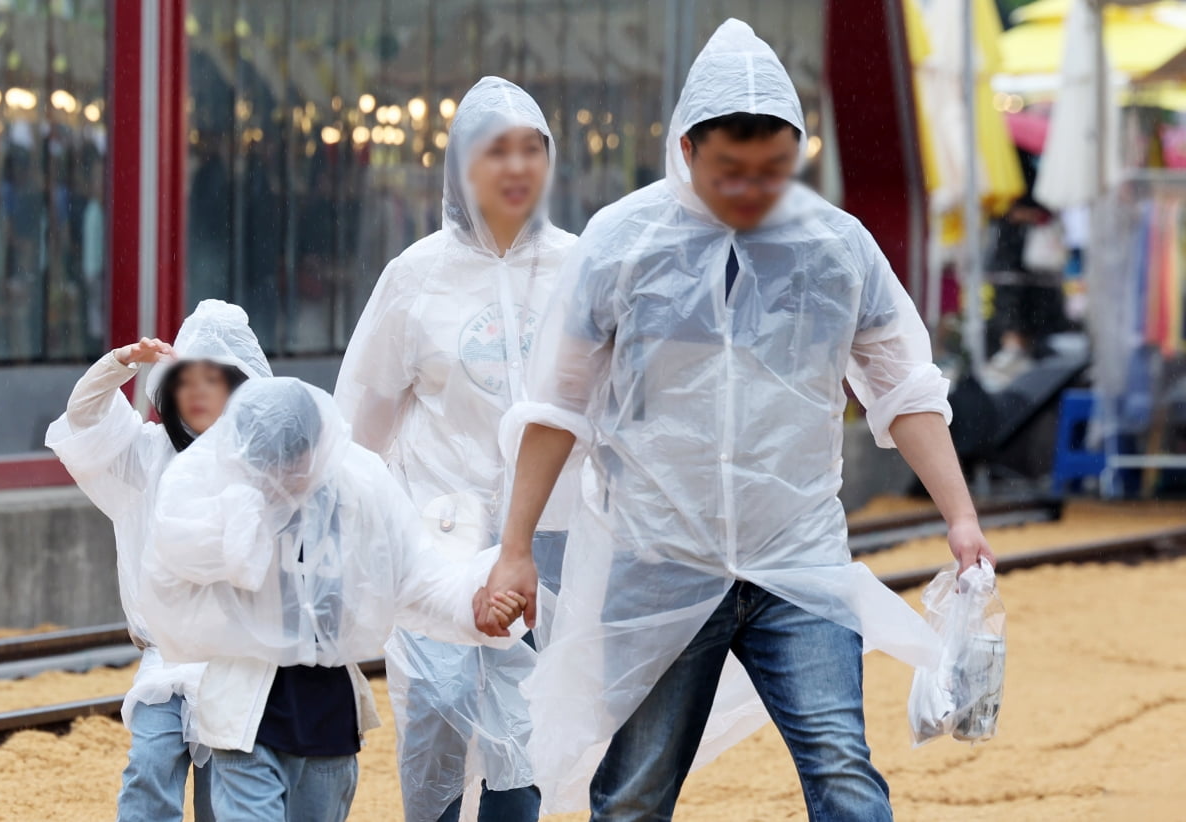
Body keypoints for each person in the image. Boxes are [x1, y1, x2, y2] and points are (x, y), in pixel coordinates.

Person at [475, 19, 997, 821]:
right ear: (687, 150)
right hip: (659, 557)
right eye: (731, 170)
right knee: (635, 793)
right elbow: (556, 410)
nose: (753, 189)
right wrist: (515, 550)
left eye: (772, 169)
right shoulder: (622, 245)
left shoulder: (836, 247)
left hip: (799, 559)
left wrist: (960, 517)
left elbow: (906, 390)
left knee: (844, 773)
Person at [334, 76, 579, 822]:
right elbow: (358, 431)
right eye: (494, 150)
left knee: (527, 729)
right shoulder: (416, 279)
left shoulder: (581, 268)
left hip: (550, 542)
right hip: (440, 537)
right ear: (461, 167)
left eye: (531, 148)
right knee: (440, 715)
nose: (515, 167)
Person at [138, 377, 527, 822]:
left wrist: (476, 605)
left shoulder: (357, 497)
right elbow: (176, 561)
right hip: (244, 714)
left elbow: (416, 579)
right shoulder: (218, 497)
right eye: (267, 456)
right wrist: (244, 519)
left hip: (329, 718)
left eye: (294, 455)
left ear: (317, 449)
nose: (283, 472)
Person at [45, 299, 272, 822]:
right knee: (149, 768)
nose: (201, 395)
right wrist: (120, 361)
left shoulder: (264, 466)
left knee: (225, 799)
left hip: (240, 664)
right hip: (164, 660)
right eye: (189, 381)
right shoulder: (145, 457)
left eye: (218, 382)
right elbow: (86, 419)